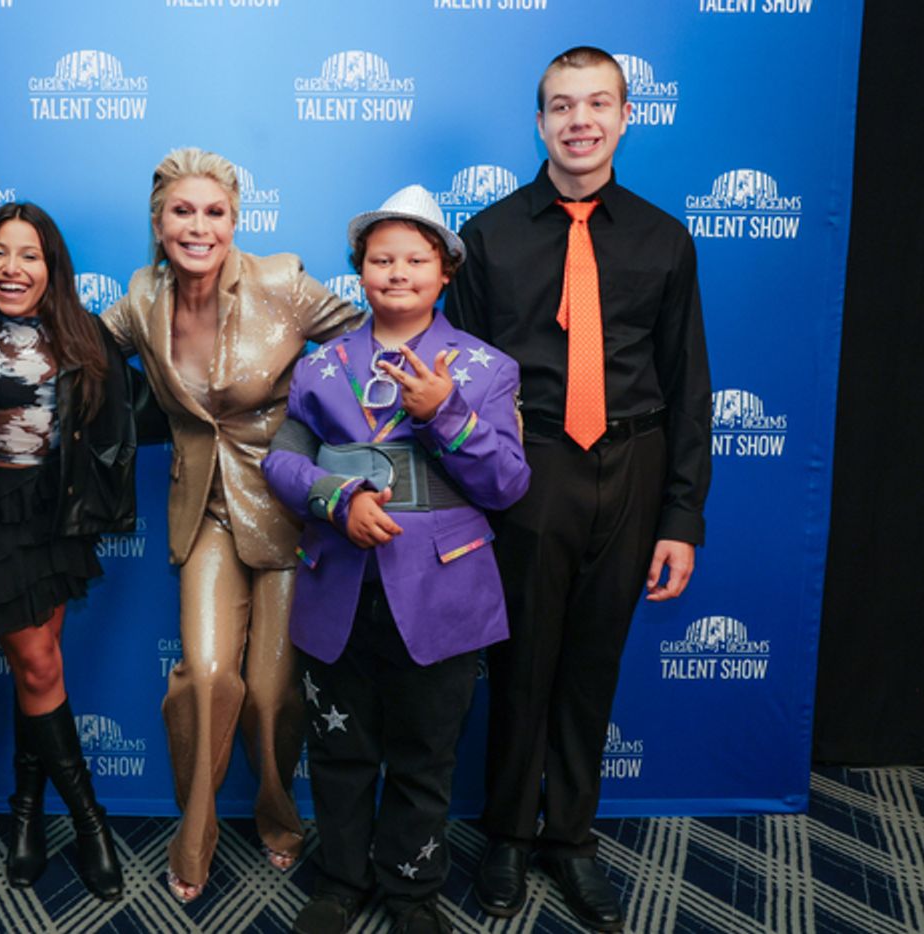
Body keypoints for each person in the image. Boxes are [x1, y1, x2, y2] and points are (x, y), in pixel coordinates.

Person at [448, 47, 712, 932]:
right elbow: (467, 384)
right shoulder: (488, 237)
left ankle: (571, 837)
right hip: (533, 465)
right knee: (522, 666)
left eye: (598, 104)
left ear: (626, 116)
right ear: (540, 122)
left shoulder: (664, 237)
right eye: (562, 106)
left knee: (593, 663)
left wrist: (680, 515)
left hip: (632, 465)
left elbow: (688, 386)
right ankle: (507, 838)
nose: (579, 121)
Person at [101, 147, 364, 902]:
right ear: (157, 222)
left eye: (214, 212)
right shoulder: (142, 296)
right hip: (204, 508)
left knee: (275, 689)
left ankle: (279, 815)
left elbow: (368, 337)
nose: (198, 226)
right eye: (182, 211)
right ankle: (197, 831)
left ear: (235, 220)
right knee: (209, 677)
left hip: (289, 504)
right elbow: (81, 348)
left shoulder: (281, 281)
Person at [265, 185, 529, 934]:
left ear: (445, 272)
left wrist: (445, 412)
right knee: (340, 749)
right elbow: (282, 463)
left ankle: (413, 890)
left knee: (423, 756)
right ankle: (342, 881)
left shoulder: (485, 369)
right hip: (339, 588)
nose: (399, 271)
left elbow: (508, 484)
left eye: (417, 258)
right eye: (382, 258)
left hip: (442, 597)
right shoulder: (319, 369)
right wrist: (334, 498)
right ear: (359, 271)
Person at [0, 202, 150, 901]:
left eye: (29, 255)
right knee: (40, 662)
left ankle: (25, 820)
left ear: (52, 269)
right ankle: (92, 826)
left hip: (57, 516)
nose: (12, 268)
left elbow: (130, 416)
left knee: (34, 673)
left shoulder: (81, 334)